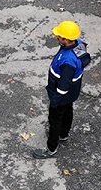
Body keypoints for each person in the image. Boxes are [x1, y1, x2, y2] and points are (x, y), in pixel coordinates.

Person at [35, 20, 91, 160]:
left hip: (61, 95)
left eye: (59, 36)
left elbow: (63, 85)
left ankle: (51, 148)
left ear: (66, 39)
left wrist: (55, 99)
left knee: (55, 119)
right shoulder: (77, 44)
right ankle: (63, 135)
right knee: (67, 112)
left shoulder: (67, 61)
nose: (57, 37)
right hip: (72, 94)